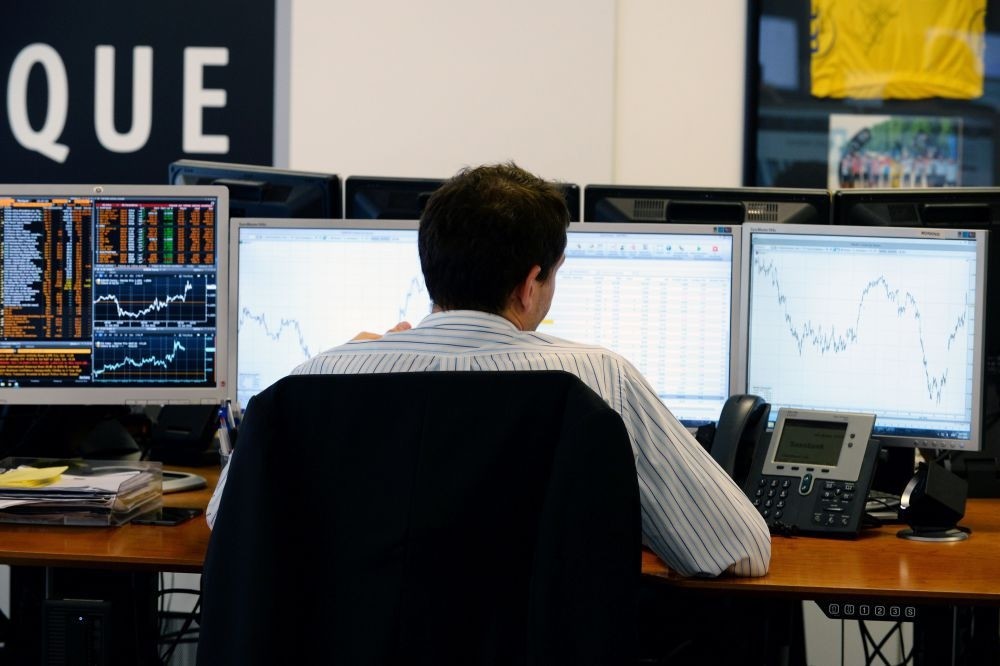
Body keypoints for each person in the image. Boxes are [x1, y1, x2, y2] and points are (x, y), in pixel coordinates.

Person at [208, 162, 770, 580]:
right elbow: (738, 549)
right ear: (531, 285)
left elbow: (224, 520)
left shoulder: (308, 383)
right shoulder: (598, 383)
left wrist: (331, 359)